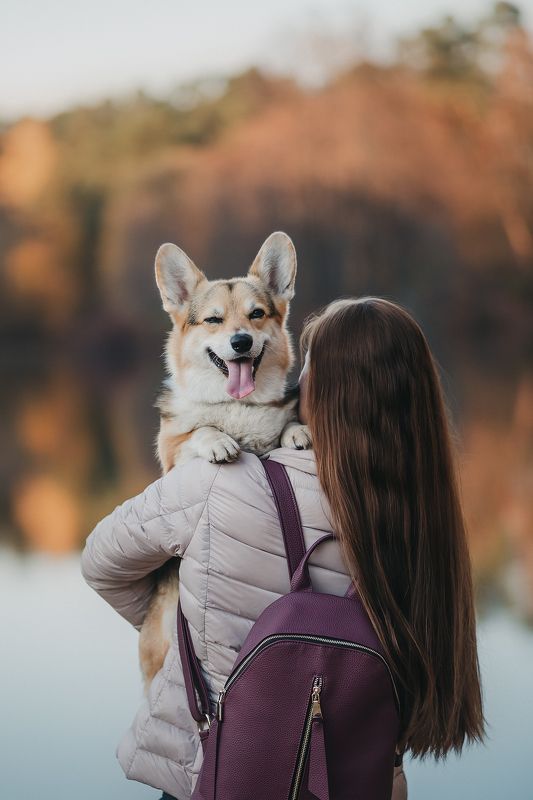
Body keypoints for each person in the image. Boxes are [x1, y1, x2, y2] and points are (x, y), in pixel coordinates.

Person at [81, 297, 485, 800]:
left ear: (327, 388)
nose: (297, 378)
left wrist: (192, 632)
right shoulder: (429, 518)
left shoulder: (214, 480)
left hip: (218, 771)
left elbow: (101, 563)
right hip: (359, 782)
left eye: (310, 363)